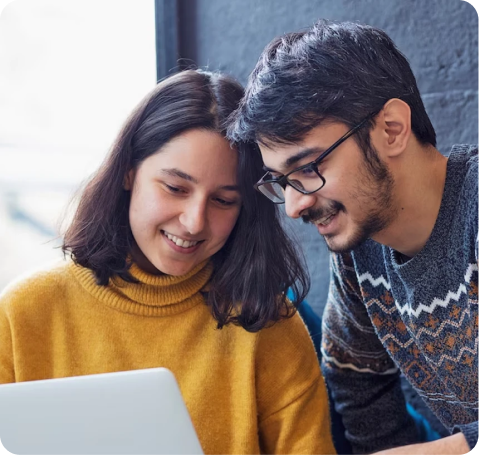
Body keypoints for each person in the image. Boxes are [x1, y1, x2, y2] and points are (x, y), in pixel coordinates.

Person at [0, 69, 337, 455]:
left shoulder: (269, 327)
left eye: (224, 200)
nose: (194, 222)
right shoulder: (23, 314)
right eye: (176, 188)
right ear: (129, 172)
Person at [228, 19, 478, 455]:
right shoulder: (359, 248)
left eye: (308, 168)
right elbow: (355, 382)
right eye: (282, 182)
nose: (294, 206)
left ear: (392, 129)